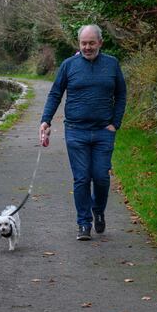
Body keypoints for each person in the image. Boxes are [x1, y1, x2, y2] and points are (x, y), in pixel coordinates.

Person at [39, 24, 127, 241]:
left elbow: (121, 95)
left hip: (103, 131)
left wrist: (115, 123)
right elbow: (55, 94)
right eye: (83, 43)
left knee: (100, 178)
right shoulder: (69, 65)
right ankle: (83, 224)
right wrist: (46, 120)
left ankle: (98, 210)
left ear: (100, 43)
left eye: (91, 43)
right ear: (79, 44)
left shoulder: (112, 64)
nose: (87, 47)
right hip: (76, 131)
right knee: (81, 178)